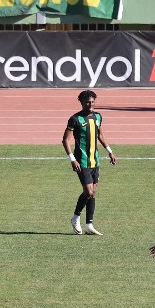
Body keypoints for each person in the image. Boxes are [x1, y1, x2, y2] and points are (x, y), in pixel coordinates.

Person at [61, 89, 116, 235]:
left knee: (94, 193)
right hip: (82, 161)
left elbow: (100, 135)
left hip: (95, 160)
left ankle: (89, 225)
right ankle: (75, 217)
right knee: (88, 191)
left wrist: (109, 151)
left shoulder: (97, 116)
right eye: (87, 102)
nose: (90, 105)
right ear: (81, 102)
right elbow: (65, 140)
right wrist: (72, 159)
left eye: (92, 102)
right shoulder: (75, 119)